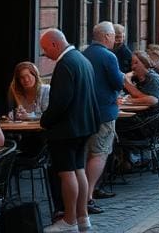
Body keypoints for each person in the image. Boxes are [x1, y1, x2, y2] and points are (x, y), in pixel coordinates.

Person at [40, 28, 99, 233]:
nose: (45, 53)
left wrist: (45, 121)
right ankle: (82, 217)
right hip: (84, 125)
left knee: (67, 174)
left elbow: (60, 101)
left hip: (67, 129)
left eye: (46, 48)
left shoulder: (65, 64)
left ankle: (69, 220)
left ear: (55, 44)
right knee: (78, 170)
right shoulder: (81, 59)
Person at [81, 21, 123, 214]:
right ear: (106, 36)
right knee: (99, 153)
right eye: (113, 35)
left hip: (85, 113)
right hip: (105, 112)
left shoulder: (84, 54)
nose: (115, 39)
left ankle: (84, 194)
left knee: (87, 154)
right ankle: (88, 196)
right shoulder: (108, 56)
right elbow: (117, 82)